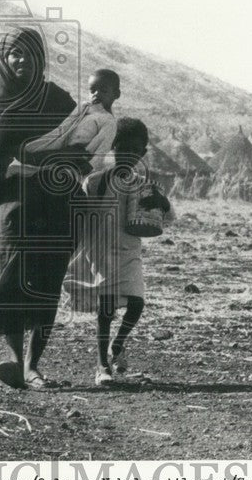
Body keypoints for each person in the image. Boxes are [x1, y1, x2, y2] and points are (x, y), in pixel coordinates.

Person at [0, 26, 86, 390]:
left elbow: (80, 149)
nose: (21, 60)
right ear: (5, 59)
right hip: (14, 203)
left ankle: (33, 366)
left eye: (28, 53)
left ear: (41, 59)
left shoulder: (60, 101)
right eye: (14, 54)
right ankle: (14, 358)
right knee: (8, 275)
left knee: (47, 280)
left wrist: (48, 166)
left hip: (54, 201)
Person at [61, 117, 171, 386]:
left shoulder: (144, 185)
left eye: (135, 152)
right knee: (106, 308)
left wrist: (162, 202)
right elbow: (79, 215)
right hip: (99, 251)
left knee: (136, 303)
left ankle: (117, 343)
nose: (128, 156)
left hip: (130, 250)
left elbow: (164, 218)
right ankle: (102, 366)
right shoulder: (96, 182)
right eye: (123, 149)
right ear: (113, 148)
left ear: (142, 154)